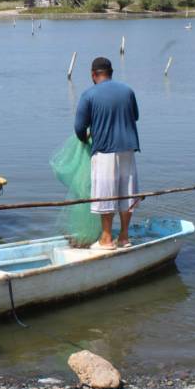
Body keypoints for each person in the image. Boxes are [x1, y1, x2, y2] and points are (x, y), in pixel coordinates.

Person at [74, 57, 140, 250]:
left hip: (104, 151)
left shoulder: (89, 95)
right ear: (111, 73)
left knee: (106, 195)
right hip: (128, 148)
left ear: (93, 75)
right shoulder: (128, 91)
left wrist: (85, 138)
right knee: (127, 194)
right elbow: (135, 116)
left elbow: (79, 126)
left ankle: (106, 239)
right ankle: (124, 237)